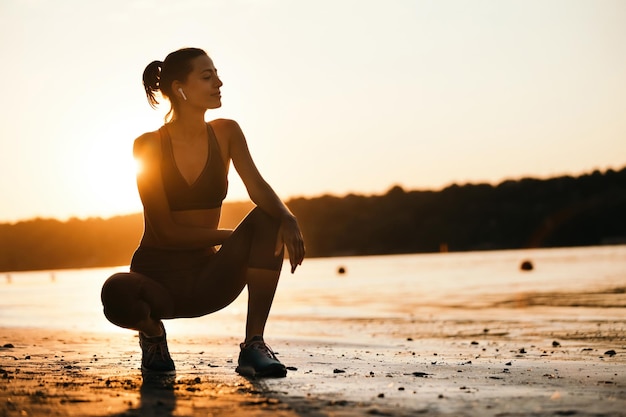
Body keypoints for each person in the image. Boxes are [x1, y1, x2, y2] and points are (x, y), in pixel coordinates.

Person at [100, 47, 305, 378]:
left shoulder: (227, 132)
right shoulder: (148, 146)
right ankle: (152, 335)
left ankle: (254, 345)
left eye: (217, 75)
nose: (219, 83)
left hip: (209, 279)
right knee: (116, 292)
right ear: (180, 88)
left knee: (270, 215)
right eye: (207, 76)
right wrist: (238, 238)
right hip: (157, 282)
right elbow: (166, 231)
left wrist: (287, 217)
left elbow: (257, 187)